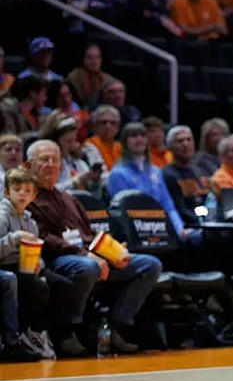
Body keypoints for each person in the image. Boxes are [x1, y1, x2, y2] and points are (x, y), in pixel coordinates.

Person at [26, 140, 163, 355]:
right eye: (44, 160)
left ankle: (113, 326)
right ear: (28, 165)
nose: (51, 165)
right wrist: (86, 255)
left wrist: (113, 251)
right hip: (53, 259)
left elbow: (88, 234)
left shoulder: (68, 198)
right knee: (87, 267)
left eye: (55, 160)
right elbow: (43, 238)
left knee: (149, 265)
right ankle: (67, 332)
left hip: (87, 255)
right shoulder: (28, 199)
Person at [107, 122, 197, 245]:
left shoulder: (155, 171)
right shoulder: (118, 174)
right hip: (138, 232)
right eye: (133, 136)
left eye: (142, 135)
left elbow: (168, 206)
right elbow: (122, 213)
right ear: (124, 141)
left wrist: (179, 228)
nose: (139, 139)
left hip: (161, 227)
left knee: (195, 238)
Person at [0, 168, 47, 362]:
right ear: (6, 192)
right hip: (4, 266)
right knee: (11, 280)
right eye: (17, 189)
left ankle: (29, 333)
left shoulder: (30, 221)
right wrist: (14, 239)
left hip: (16, 266)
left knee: (43, 285)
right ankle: (11, 342)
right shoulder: (2, 216)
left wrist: (38, 263)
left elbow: (37, 251)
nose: (22, 194)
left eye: (27, 190)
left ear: (34, 196)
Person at [162, 125, 211, 227]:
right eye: (180, 141)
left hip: (207, 221)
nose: (185, 144)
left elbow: (210, 200)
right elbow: (180, 210)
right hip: (187, 226)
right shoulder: (168, 175)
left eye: (189, 140)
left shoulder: (201, 171)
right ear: (170, 147)